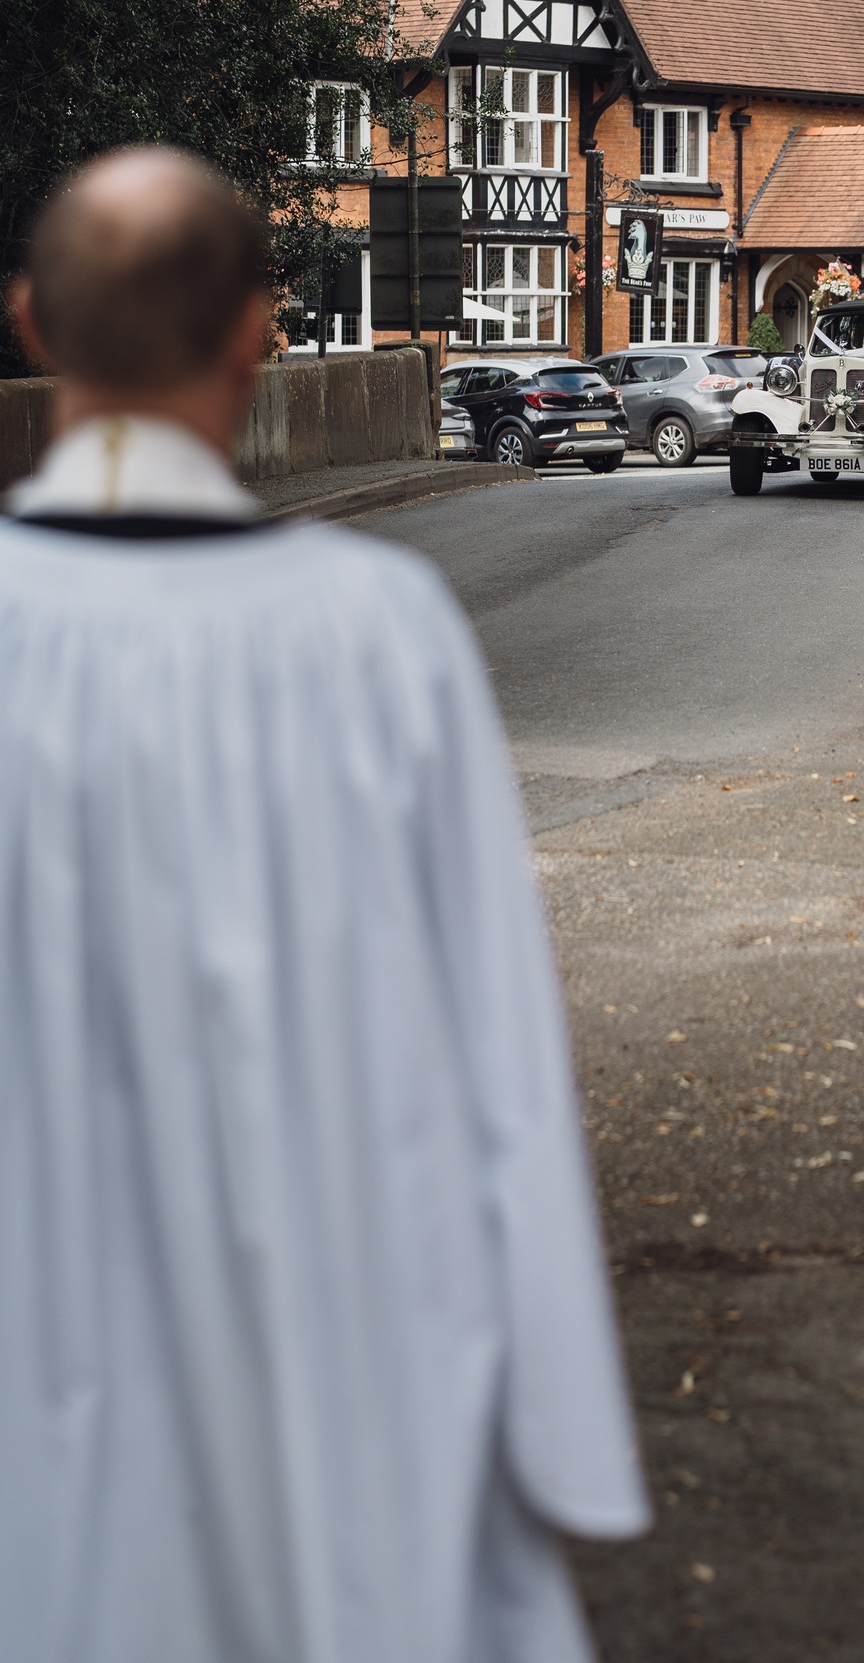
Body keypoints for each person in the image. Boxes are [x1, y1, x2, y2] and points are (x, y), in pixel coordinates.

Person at [0, 147, 648, 1663]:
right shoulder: (377, 635)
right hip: (337, 1342)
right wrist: (554, 1429)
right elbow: (497, 1053)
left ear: (31, 323)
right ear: (260, 333)